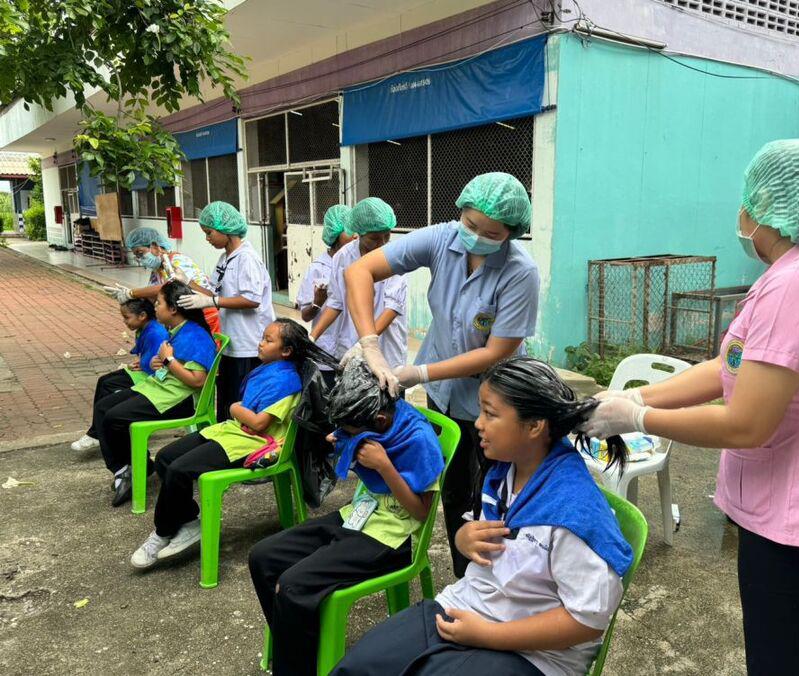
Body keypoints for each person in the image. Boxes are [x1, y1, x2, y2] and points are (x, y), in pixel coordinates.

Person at [581, 139, 799, 676]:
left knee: (782, 662)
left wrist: (637, 420)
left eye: (748, 200)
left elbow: (746, 424)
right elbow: (730, 367)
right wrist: (634, 395)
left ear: (772, 208)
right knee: (786, 654)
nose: (741, 214)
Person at [332, 356, 631, 676]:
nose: (478, 423)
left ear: (534, 426)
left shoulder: (574, 511)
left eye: (490, 413)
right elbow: (493, 538)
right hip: (468, 607)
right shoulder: (505, 470)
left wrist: (488, 635)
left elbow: (587, 620)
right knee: (359, 666)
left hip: (535, 655)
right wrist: (464, 539)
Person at [343, 172, 539, 577]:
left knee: (490, 489)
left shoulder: (520, 272)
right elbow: (359, 272)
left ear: (512, 232)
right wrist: (369, 343)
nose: (476, 237)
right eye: (470, 224)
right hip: (442, 391)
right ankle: (464, 575)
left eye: (492, 233)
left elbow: (496, 352)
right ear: (460, 211)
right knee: (450, 484)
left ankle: (494, 580)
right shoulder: (440, 239)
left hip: (492, 398)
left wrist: (420, 371)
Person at [248, 357, 444, 676]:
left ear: (379, 420)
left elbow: (421, 512)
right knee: (263, 556)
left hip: (393, 537)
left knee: (293, 585)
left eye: (350, 432)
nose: (344, 435)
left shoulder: (418, 439)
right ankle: (297, 647)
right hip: (359, 516)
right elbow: (348, 436)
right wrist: (343, 439)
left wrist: (385, 466)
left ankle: (296, 667)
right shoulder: (377, 418)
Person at [130, 318, 339, 568]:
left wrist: (234, 408)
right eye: (262, 338)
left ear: (286, 351)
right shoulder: (268, 370)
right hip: (234, 430)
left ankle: (161, 533)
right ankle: (189, 521)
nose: (260, 343)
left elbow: (259, 423)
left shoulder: (287, 382)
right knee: (165, 457)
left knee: (179, 470)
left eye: (268, 340)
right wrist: (238, 411)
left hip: (252, 443)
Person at [93, 281, 217, 507]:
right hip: (161, 389)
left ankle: (130, 469)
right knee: (104, 407)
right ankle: (127, 468)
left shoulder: (195, 335)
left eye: (158, 303)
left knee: (113, 417)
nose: (155, 308)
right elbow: (175, 363)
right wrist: (159, 363)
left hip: (179, 400)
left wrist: (168, 361)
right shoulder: (176, 330)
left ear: (173, 309)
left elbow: (197, 381)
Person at [177, 201, 276, 421]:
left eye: (209, 233)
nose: (207, 239)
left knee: (241, 406)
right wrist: (188, 283)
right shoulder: (225, 259)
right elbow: (214, 292)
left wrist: (211, 301)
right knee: (226, 404)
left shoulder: (247, 258)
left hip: (249, 346)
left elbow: (251, 299)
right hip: (232, 344)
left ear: (225, 229)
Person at [311, 197, 407, 371]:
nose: (382, 243)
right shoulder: (343, 257)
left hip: (385, 348)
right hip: (350, 345)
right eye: (374, 238)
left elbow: (392, 308)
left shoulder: (394, 256)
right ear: (359, 233)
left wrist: (365, 344)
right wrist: (312, 337)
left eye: (387, 236)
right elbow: (336, 302)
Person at [72, 298, 169, 452]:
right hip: (143, 371)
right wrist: (140, 362)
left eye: (127, 317)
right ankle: (97, 431)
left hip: (150, 377)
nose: (124, 321)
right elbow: (145, 355)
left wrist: (143, 364)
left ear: (142, 315)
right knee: (104, 381)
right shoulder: (143, 329)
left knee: (107, 385)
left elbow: (157, 363)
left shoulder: (155, 332)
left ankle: (97, 433)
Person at [103, 227, 221, 335]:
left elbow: (168, 288)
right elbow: (152, 296)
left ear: (155, 247)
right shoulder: (158, 269)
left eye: (140, 253)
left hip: (205, 316)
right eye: (137, 256)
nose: (140, 259)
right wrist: (130, 299)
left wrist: (131, 293)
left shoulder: (177, 262)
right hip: (187, 318)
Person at [296, 204, 355, 389]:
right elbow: (305, 315)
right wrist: (317, 303)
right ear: (335, 233)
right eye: (349, 230)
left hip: (353, 350)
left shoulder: (359, 264)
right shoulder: (318, 268)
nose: (355, 235)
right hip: (325, 350)